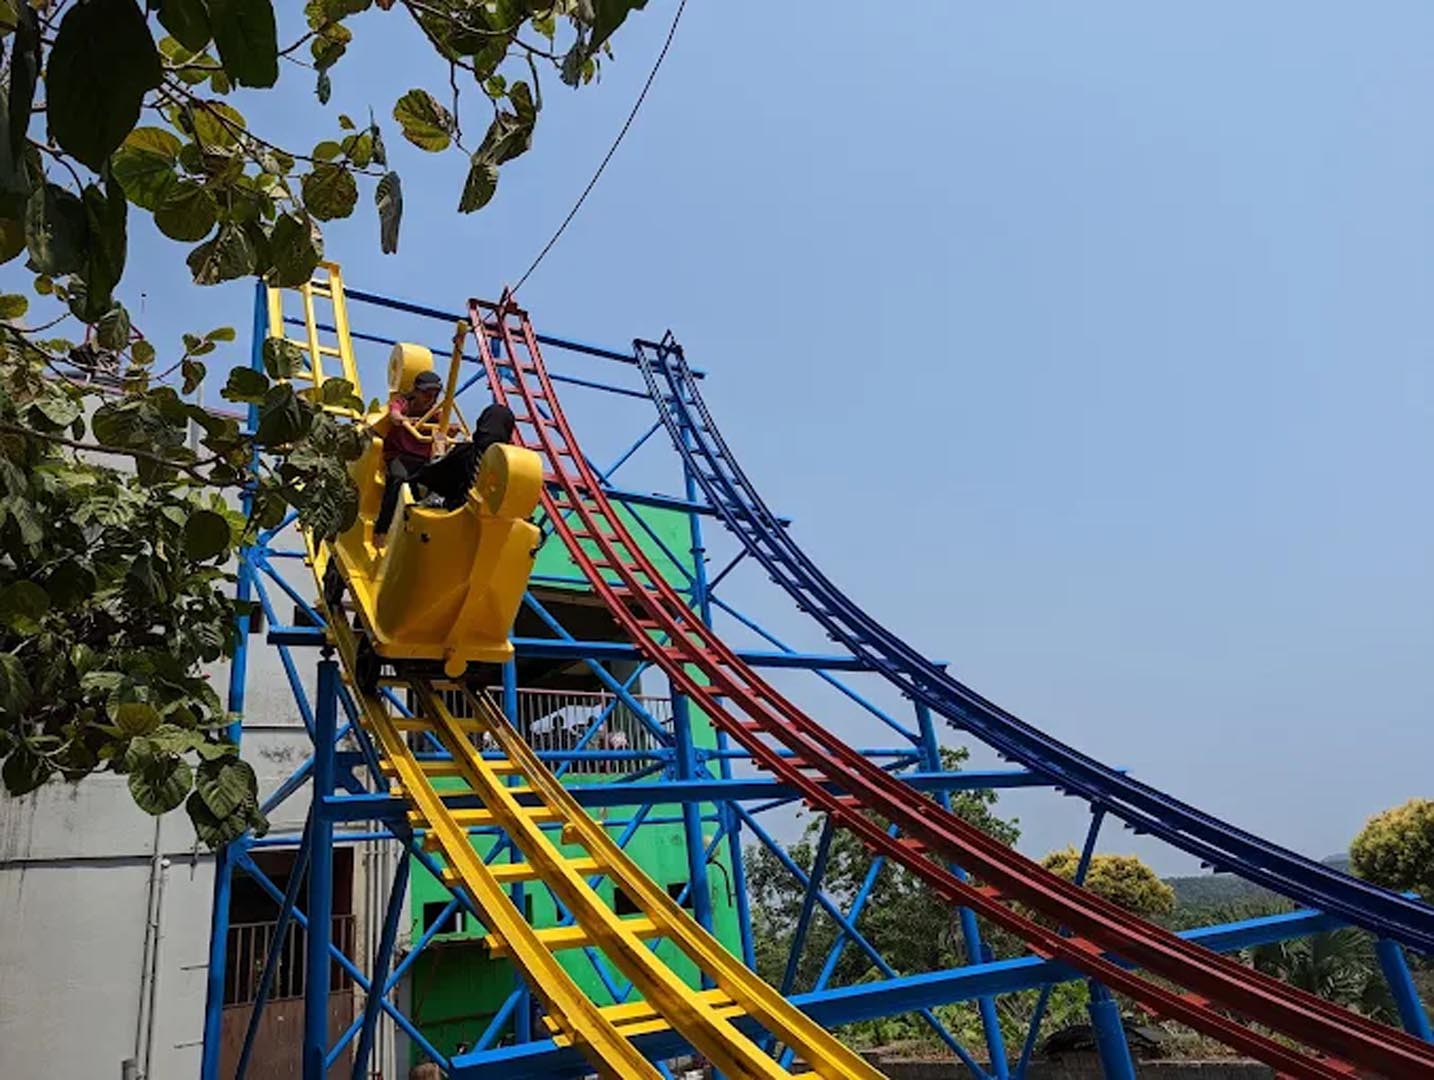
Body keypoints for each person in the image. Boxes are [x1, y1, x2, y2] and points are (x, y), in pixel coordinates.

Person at [372, 375, 515, 546]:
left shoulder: (439, 416)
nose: (431, 399)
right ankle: (381, 530)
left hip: (424, 462)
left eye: (435, 394)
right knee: (398, 479)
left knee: (418, 486)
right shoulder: (403, 403)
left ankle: (405, 530)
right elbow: (395, 414)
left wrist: (450, 434)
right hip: (401, 455)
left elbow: (443, 453)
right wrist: (403, 420)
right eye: (427, 394)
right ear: (416, 391)